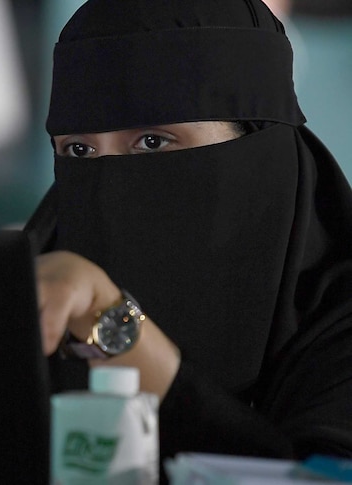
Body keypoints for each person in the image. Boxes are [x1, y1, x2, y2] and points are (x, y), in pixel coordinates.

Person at [25, 0, 352, 475]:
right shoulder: (35, 304)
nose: (110, 182)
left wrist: (113, 325)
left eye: (154, 142)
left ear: (260, 147)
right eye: (79, 150)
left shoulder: (337, 319)